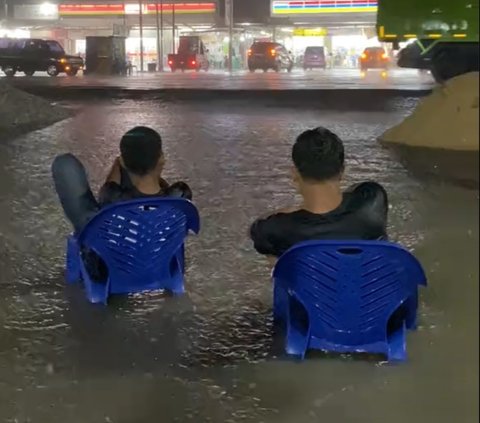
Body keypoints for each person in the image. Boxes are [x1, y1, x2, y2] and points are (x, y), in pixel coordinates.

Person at [249, 127, 388, 259]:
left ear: (295, 174)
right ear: (342, 171)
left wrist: (294, 211)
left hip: (309, 284)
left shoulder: (274, 230)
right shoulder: (373, 200)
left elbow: (280, 275)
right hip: (367, 283)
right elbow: (354, 192)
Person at [52, 126, 192, 233]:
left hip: (111, 263)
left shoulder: (113, 200)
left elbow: (110, 186)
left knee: (65, 165)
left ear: (123, 162)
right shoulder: (179, 199)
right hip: (159, 263)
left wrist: (120, 162)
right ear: (161, 158)